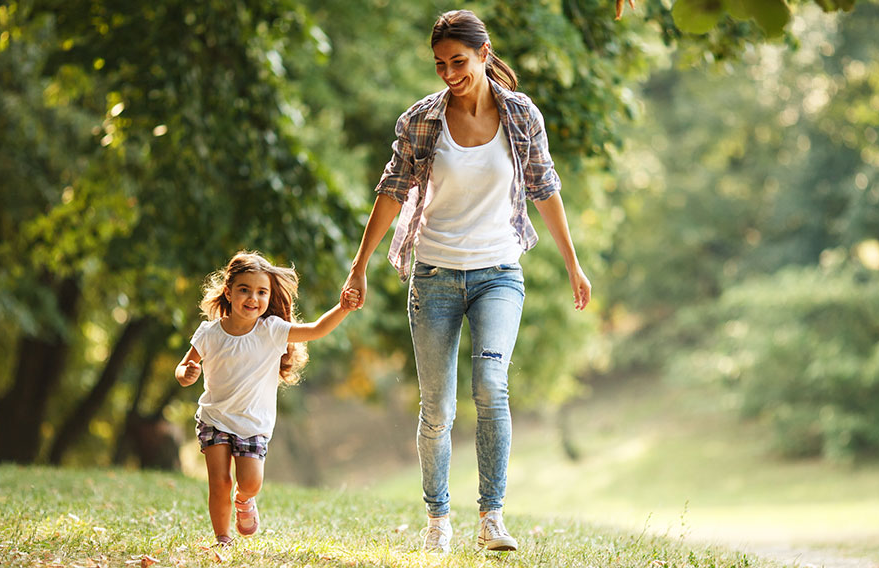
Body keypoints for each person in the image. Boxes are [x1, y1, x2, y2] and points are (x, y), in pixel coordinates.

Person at [340, 9, 592, 554]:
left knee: (491, 386)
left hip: (499, 273)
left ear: (483, 53)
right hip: (432, 275)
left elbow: (544, 187)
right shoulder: (421, 121)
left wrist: (573, 263)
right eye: (439, 65)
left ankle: (492, 517)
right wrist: (360, 265)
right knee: (438, 410)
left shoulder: (521, 114)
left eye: (459, 61)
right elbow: (392, 191)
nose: (450, 73)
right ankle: (437, 519)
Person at [176, 251, 357, 547]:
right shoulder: (209, 333)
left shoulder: (271, 331)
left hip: (253, 423)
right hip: (214, 418)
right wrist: (187, 373)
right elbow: (183, 368)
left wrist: (343, 307)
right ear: (229, 292)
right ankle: (222, 538)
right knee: (219, 482)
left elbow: (316, 329)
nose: (253, 298)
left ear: (270, 295)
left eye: (262, 292)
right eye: (244, 289)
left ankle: (245, 500)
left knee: (250, 482)